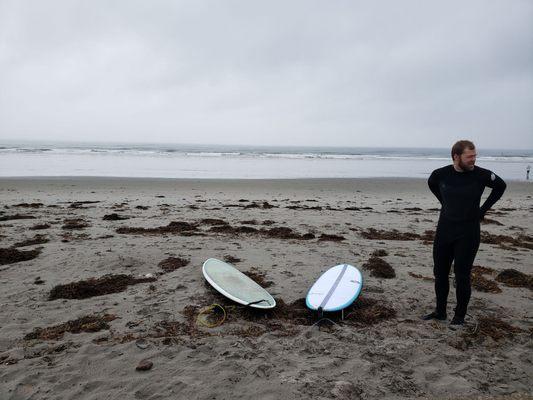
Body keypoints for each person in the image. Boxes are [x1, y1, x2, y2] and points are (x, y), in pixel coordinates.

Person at [423, 140, 506, 325]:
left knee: (462, 275)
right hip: (444, 231)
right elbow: (432, 184)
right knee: (440, 273)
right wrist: (445, 202)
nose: (473, 160)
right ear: (456, 156)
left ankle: (459, 317)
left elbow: (501, 186)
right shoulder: (440, 174)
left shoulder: (481, 175)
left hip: (468, 233)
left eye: (475, 156)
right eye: (469, 157)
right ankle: (440, 311)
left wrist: (482, 210)